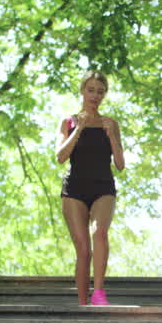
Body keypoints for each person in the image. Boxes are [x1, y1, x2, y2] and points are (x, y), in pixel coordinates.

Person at [56, 71, 126, 306]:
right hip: (74, 190)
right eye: (91, 90)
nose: (95, 95)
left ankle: (99, 293)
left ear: (105, 95)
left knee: (99, 232)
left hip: (103, 188)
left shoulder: (111, 123)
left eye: (100, 91)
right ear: (82, 91)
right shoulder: (69, 122)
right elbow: (61, 157)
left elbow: (120, 164)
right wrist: (79, 129)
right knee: (84, 251)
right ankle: (83, 303)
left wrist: (111, 136)